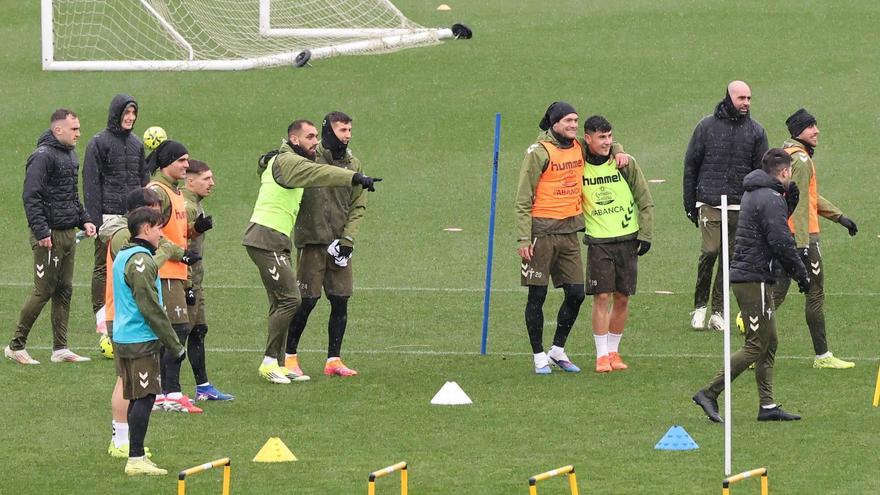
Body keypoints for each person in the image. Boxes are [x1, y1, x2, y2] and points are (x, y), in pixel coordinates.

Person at [243, 119, 380, 384]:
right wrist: (354, 177)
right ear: (295, 140)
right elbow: (320, 174)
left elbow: (353, 202)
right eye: (310, 136)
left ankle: (281, 362)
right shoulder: (291, 161)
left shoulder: (295, 159)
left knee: (289, 300)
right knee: (294, 300)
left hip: (278, 238)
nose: (315, 141)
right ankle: (272, 362)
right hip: (267, 237)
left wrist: (347, 238)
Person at [693, 148, 809, 423]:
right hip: (752, 278)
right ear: (783, 172)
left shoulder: (760, 193)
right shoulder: (768, 198)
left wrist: (789, 200)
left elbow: (772, 225)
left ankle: (767, 406)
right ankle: (709, 393)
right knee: (756, 345)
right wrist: (801, 274)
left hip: (755, 275)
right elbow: (780, 241)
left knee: (770, 343)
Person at [514, 101, 627, 375]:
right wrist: (522, 239)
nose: (574, 125)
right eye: (568, 121)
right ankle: (539, 355)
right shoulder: (539, 153)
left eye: (576, 121)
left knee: (576, 293)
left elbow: (606, 145)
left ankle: (557, 350)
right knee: (537, 295)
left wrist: (620, 151)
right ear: (555, 124)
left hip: (569, 233)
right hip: (541, 233)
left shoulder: (578, 146)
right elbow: (522, 199)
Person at [102, 188, 193, 458]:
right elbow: (150, 306)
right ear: (143, 228)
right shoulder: (140, 260)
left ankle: (128, 447)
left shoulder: (126, 255)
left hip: (125, 334)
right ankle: (136, 456)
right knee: (145, 397)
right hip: (138, 337)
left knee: (134, 393)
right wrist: (174, 345)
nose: (161, 233)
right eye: (156, 228)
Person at [5, 108, 96, 365]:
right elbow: (30, 196)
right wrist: (42, 231)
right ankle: (15, 346)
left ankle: (60, 348)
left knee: (64, 289)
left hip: (67, 233)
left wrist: (85, 219)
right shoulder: (42, 157)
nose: (79, 133)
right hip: (49, 236)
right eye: (74, 129)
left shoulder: (69, 155)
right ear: (58, 130)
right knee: (43, 290)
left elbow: (70, 196)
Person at [770, 109, 857, 369]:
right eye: (810, 126)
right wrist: (803, 245)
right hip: (802, 237)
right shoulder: (802, 160)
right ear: (799, 132)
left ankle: (753, 347)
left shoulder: (790, 156)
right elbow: (797, 203)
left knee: (777, 293)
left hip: (789, 236)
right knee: (815, 294)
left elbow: (805, 196)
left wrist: (839, 216)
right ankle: (822, 356)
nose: (816, 130)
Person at [285, 112, 368, 379]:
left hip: (340, 245)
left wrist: (347, 240)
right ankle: (289, 358)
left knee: (340, 301)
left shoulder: (353, 163)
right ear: (329, 131)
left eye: (350, 130)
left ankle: (334, 359)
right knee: (306, 302)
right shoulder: (307, 159)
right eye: (342, 129)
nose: (348, 135)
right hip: (312, 243)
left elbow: (359, 205)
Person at [682, 81, 768, 330]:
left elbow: (761, 171)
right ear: (729, 97)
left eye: (749, 98)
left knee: (729, 259)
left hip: (740, 206)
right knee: (709, 252)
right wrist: (690, 203)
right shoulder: (706, 127)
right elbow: (691, 165)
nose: (746, 103)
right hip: (709, 202)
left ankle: (718, 311)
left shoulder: (756, 131)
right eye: (742, 98)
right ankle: (699, 306)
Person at [580, 116, 654, 373]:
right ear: (587, 138)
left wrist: (646, 234)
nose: (607, 142)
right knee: (601, 296)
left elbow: (644, 199)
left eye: (610, 137)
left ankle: (613, 351)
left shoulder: (625, 163)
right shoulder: (579, 163)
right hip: (599, 240)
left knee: (622, 298)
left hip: (627, 238)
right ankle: (601, 356)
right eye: (601, 137)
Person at [82, 94, 149, 352]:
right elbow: (91, 182)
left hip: (133, 216)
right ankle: (102, 323)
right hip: (108, 217)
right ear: (116, 114)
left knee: (130, 265)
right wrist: (94, 219)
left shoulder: (136, 144)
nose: (130, 118)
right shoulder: (98, 143)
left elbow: (143, 179)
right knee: (103, 268)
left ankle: (126, 317)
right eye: (126, 113)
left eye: (133, 113)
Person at [147, 139, 202, 413]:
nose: (186, 165)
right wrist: (179, 255)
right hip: (165, 271)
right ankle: (168, 392)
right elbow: (149, 233)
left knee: (176, 330)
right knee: (175, 330)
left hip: (177, 271)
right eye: (181, 160)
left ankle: (163, 393)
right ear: (167, 162)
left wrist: (195, 230)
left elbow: (173, 232)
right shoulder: (157, 192)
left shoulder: (174, 192)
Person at [183, 159, 234, 398]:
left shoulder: (196, 204)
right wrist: (187, 285)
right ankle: (164, 391)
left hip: (195, 281)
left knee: (198, 330)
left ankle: (203, 387)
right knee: (178, 335)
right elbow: (176, 245)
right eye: (206, 179)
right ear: (189, 181)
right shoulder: (186, 206)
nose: (212, 183)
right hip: (184, 282)